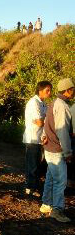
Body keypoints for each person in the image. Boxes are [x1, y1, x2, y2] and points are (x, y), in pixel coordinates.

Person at [41, 78, 74, 223]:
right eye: (73, 89)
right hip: (57, 149)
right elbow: (62, 131)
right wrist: (68, 152)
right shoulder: (62, 106)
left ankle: (46, 204)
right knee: (61, 181)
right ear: (67, 90)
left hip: (49, 148)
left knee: (51, 178)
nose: (74, 91)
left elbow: (47, 125)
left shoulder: (53, 103)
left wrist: (43, 136)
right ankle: (57, 210)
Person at [23, 81, 52, 197]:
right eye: (47, 90)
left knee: (37, 164)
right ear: (40, 90)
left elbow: (42, 120)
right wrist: (46, 120)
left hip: (39, 138)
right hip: (32, 137)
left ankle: (33, 185)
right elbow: (40, 122)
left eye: (50, 90)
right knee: (32, 164)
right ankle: (30, 187)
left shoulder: (43, 103)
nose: (49, 93)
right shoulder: (34, 102)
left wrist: (44, 120)